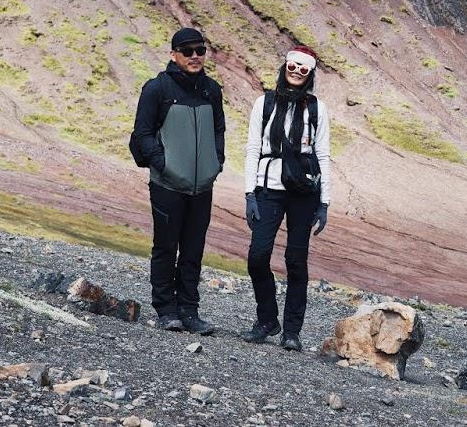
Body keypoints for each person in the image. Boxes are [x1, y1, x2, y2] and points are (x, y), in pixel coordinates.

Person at [129, 27, 225, 334]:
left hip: (202, 186)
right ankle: (166, 310)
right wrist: (164, 165)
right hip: (167, 185)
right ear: (174, 55)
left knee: (194, 249)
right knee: (166, 246)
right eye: (187, 51)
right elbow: (142, 135)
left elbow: (219, 130)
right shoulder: (157, 89)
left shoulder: (212, 89)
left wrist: (216, 163)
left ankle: (189, 311)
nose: (195, 56)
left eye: (200, 50)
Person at [242, 44, 332, 351]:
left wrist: (324, 202)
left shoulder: (317, 109)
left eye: (303, 70)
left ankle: (291, 331)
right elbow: (253, 148)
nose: (296, 73)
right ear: (285, 67)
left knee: (296, 261)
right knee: (257, 256)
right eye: (292, 67)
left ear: (310, 74)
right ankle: (267, 318)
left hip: (303, 193)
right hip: (268, 189)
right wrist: (249, 193)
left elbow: (323, 154)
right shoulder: (264, 103)